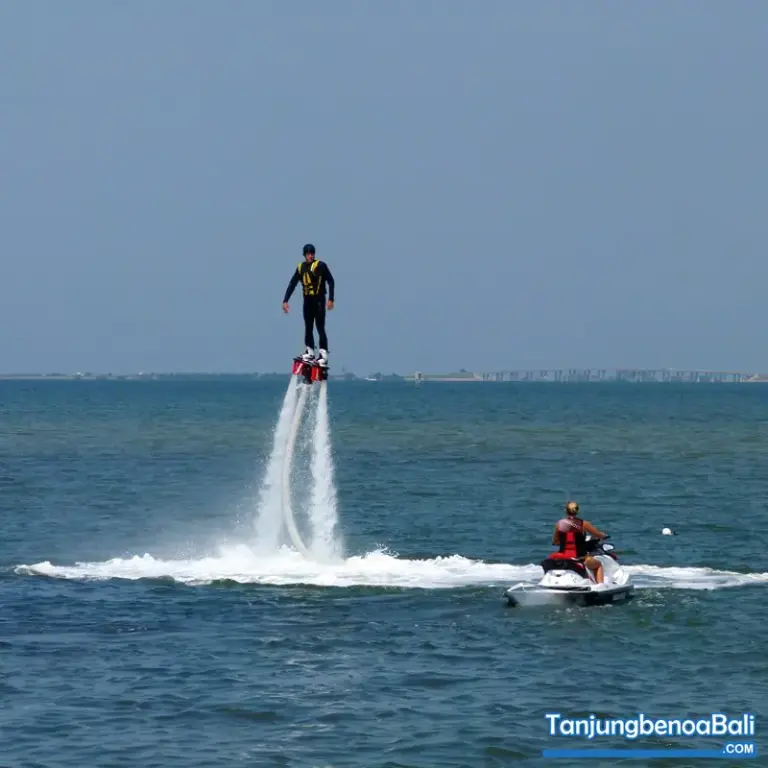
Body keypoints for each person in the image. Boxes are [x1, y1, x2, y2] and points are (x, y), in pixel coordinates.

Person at [282, 243, 335, 365]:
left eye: (312, 254)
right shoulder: (301, 268)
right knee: (308, 326)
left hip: (319, 301)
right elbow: (292, 284)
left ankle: (323, 354)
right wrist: (285, 301)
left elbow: (331, 281)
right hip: (307, 302)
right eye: (308, 254)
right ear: (304, 255)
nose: (310, 256)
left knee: (320, 326)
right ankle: (310, 351)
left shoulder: (320, 266)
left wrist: (331, 299)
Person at [550, 501, 608, 583]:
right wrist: (603, 535)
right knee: (598, 565)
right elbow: (597, 534)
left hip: (564, 558)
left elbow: (555, 541)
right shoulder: (584, 524)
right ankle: (601, 586)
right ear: (577, 511)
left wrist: (564, 543)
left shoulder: (559, 524)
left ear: (566, 511)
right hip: (579, 558)